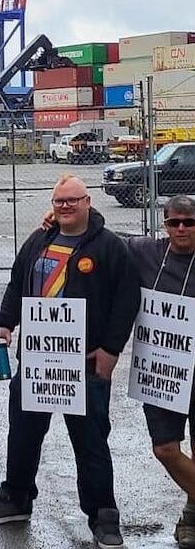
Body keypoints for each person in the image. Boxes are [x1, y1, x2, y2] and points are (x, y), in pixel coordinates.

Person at [0, 175, 140, 549]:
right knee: (22, 435)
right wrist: (5, 324)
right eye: (59, 201)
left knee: (91, 443)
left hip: (84, 365)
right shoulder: (40, 239)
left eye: (72, 201)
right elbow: (18, 282)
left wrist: (111, 351)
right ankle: (16, 498)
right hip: (36, 361)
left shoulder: (110, 247)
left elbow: (126, 300)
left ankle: (103, 516)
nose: (65, 207)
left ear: (88, 202)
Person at [126, 195, 195, 549]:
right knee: (165, 448)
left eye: (189, 222)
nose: (181, 228)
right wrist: (57, 216)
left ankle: (190, 518)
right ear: (164, 225)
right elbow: (101, 239)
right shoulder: (146, 252)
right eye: (174, 222)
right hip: (162, 368)